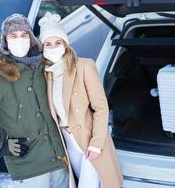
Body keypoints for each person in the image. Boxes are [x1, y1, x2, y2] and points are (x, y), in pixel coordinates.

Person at [0, 13, 71, 188]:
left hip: (59, 161)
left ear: (31, 38)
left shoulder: (44, 66)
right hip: (29, 169)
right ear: (5, 41)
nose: (20, 39)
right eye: (13, 35)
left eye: (24, 35)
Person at [39, 12, 123, 188]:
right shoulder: (45, 74)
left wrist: (96, 143)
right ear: (43, 47)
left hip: (88, 138)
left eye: (58, 42)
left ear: (65, 44)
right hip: (67, 140)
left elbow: (100, 107)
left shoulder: (84, 66)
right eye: (48, 43)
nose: (53, 47)